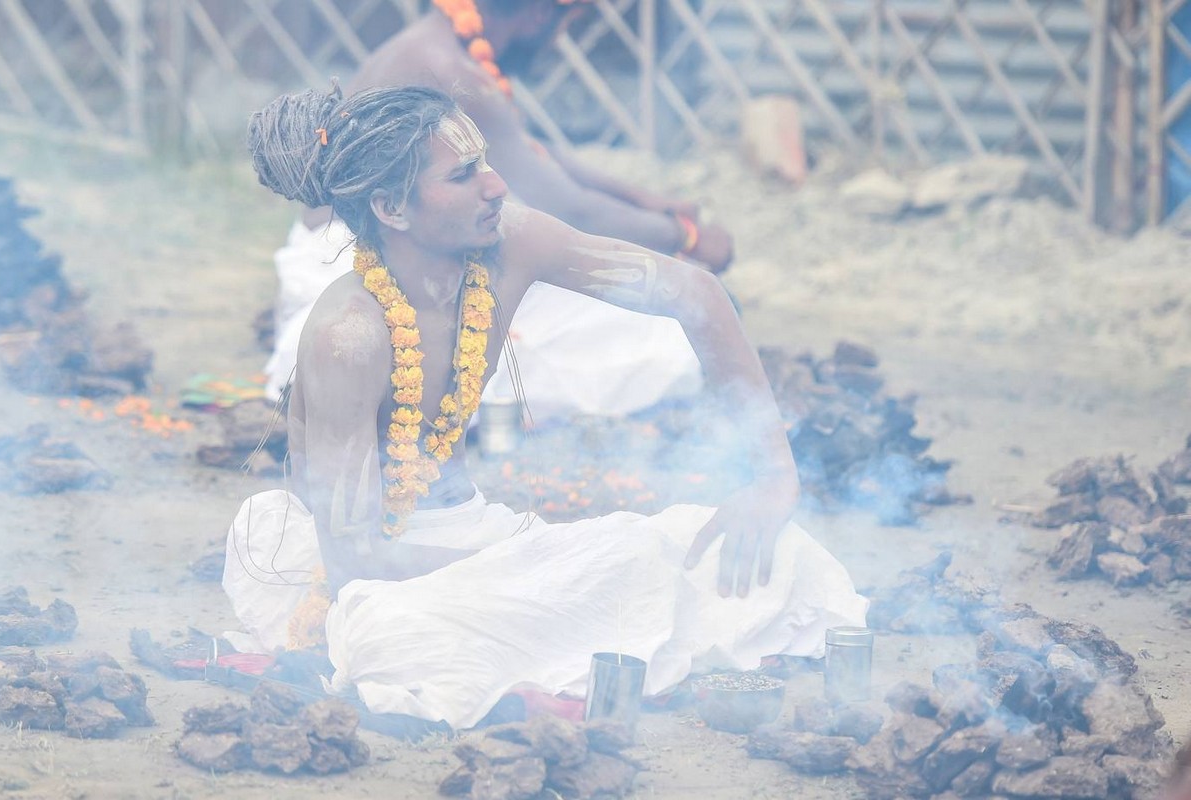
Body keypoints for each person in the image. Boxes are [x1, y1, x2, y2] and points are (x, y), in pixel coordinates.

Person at [225, 84, 865, 730]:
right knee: (390, 639)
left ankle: (566, 615)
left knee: (776, 561)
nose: (497, 186)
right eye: (465, 174)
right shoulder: (350, 335)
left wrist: (773, 475)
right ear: (392, 208)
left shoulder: (510, 242)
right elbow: (355, 565)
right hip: (381, 578)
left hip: (485, 543)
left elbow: (695, 293)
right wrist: (534, 569)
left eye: (486, 165)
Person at [263, 0, 734, 420]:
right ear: (536, 12)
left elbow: (530, 148)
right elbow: (573, 208)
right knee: (649, 336)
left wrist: (649, 203)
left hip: (369, 239)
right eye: (565, 24)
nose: (557, 42)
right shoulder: (450, 69)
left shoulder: (438, 37)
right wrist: (685, 236)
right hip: (362, 254)